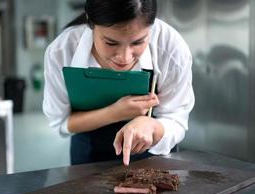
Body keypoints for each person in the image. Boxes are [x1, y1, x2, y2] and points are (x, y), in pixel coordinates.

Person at [43, 0, 194, 166]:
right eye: (111, 43)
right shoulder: (62, 51)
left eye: (138, 42)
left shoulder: (169, 47)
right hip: (89, 156)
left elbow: (176, 119)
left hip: (154, 157)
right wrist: (115, 112)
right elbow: (61, 122)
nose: (125, 57)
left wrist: (153, 127)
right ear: (91, 22)